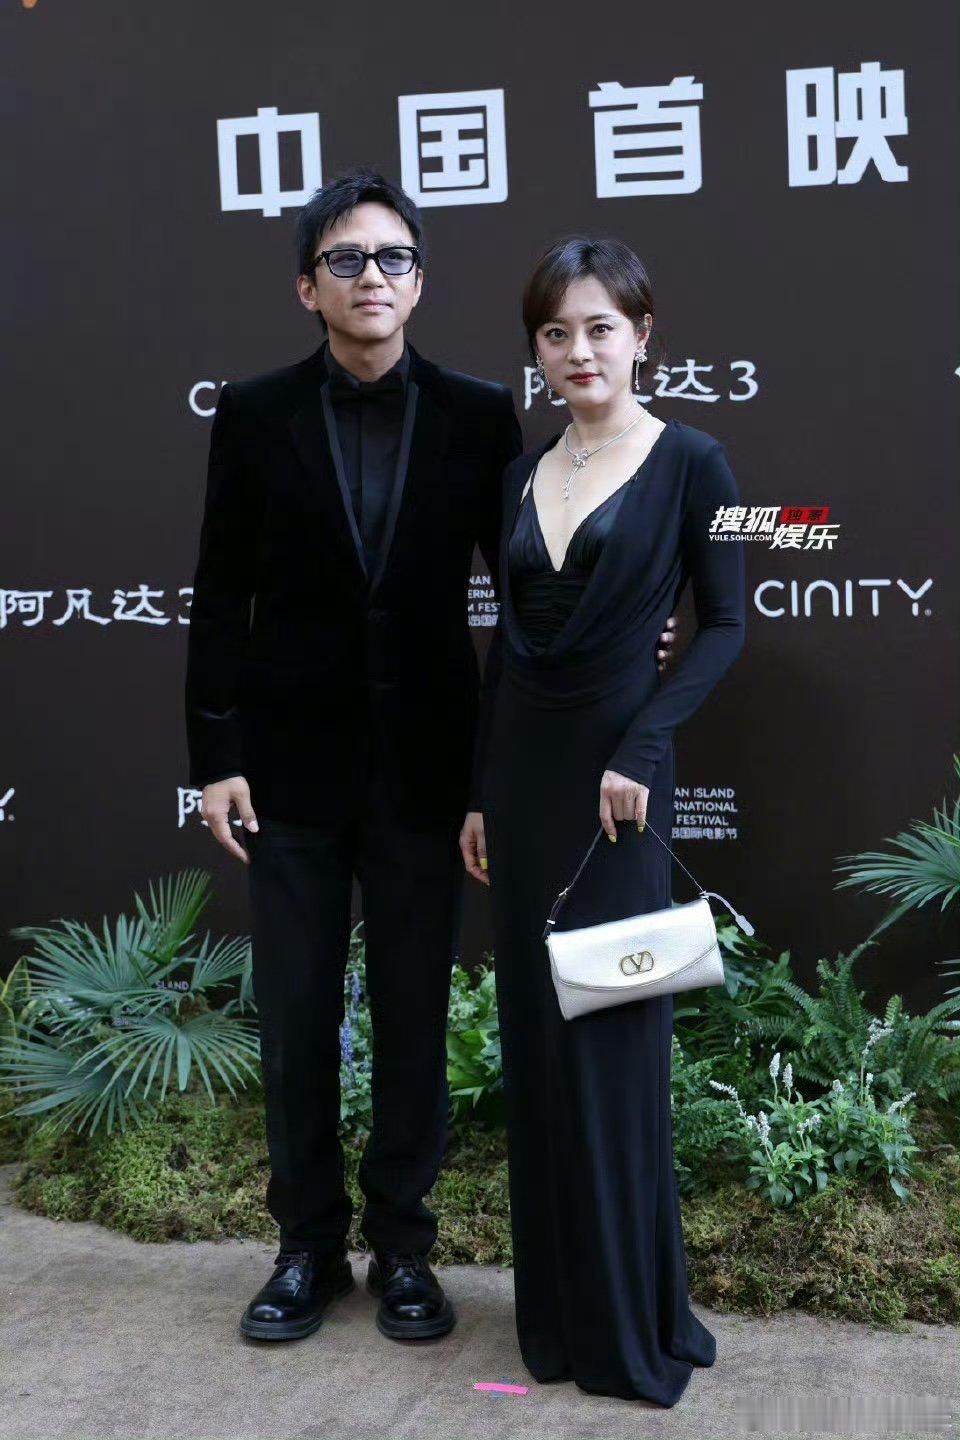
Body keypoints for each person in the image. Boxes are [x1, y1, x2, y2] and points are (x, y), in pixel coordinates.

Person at [186, 172, 680, 1345]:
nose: (372, 278)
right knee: (297, 1016)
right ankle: (307, 1248)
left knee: (414, 1016)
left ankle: (404, 1248)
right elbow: (218, 591)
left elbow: (529, 582)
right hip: (290, 769)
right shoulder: (252, 413)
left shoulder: (474, 413)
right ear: (307, 286)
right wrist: (216, 753)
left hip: (430, 768)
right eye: (346, 260)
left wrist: (630, 623)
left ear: (420, 282)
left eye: (393, 258)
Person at [460, 236, 745, 1404]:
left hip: (619, 787)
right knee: (538, 1035)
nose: (579, 351)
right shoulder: (523, 473)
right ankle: (564, 1318)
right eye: (556, 333)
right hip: (525, 782)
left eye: (600, 328)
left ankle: (634, 1319)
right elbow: (506, 648)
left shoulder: (695, 462)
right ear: (537, 349)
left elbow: (725, 624)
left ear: (642, 335)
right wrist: (478, 790)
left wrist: (643, 744)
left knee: (614, 1034)